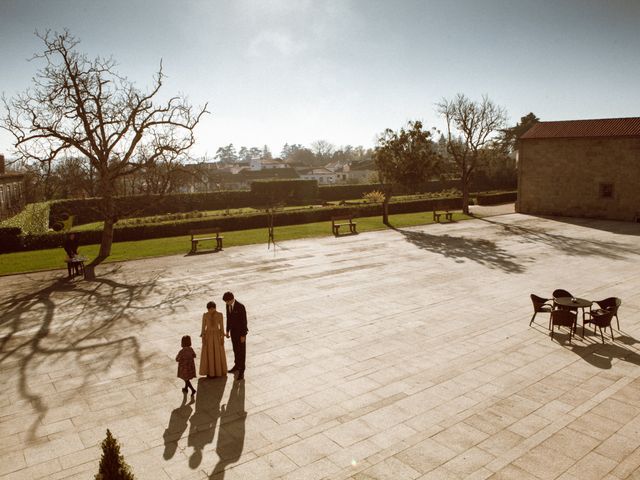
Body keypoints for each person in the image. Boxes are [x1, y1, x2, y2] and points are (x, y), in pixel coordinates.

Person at [223, 291, 248, 381]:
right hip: (233, 333)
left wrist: (243, 335)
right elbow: (228, 318)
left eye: (227, 301)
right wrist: (227, 330)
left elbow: (244, 322)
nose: (226, 303)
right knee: (235, 350)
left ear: (231, 299)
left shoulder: (240, 307)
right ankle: (237, 366)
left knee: (242, 352)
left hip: (240, 334)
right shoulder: (228, 306)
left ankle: (242, 371)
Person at [199, 301, 227, 377]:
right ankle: (210, 372)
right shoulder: (205, 315)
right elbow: (203, 327)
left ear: (215, 308)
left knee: (217, 353)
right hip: (208, 336)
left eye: (212, 309)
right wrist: (203, 337)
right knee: (209, 354)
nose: (211, 311)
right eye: (209, 309)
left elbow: (221, 327)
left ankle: (218, 371)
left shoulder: (219, 315)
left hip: (217, 336)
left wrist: (222, 338)